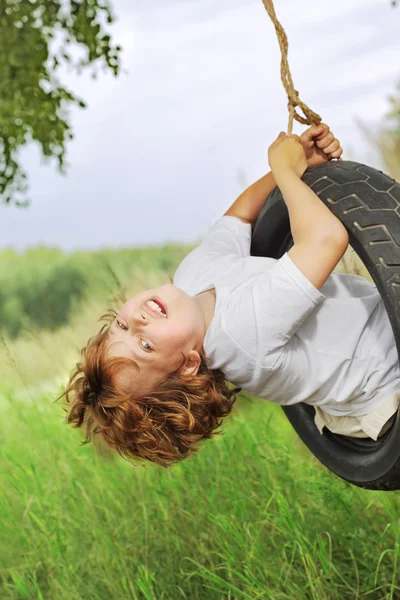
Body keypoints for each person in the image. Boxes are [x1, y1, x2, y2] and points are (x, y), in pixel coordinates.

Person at [60, 124, 400, 466]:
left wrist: (301, 165)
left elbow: (238, 216)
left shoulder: (190, 277)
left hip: (382, 327)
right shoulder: (240, 336)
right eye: (146, 346)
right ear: (189, 364)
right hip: (387, 385)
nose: (139, 321)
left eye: (121, 326)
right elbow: (324, 240)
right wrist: (284, 170)